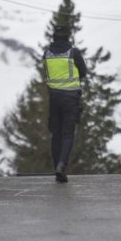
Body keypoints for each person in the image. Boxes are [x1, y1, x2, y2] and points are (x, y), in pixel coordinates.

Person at [43, 25, 88, 183]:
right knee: (68, 134)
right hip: (70, 98)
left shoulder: (47, 54)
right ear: (68, 38)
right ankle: (61, 166)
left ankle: (57, 166)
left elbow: (47, 74)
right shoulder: (73, 53)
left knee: (56, 134)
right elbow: (83, 72)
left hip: (54, 97)